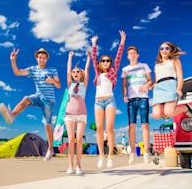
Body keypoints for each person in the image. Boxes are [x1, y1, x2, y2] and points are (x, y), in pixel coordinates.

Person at [0, 48, 61, 161]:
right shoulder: (33, 69)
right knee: (26, 99)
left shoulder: (52, 70)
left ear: (46, 59)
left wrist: (52, 81)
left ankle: (51, 149)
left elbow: (59, 86)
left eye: (44, 58)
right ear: (37, 58)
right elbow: (17, 72)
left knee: (47, 125)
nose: (41, 59)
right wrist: (13, 60)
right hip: (38, 96)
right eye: (39, 57)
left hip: (49, 100)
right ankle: (12, 115)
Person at [91, 30, 126, 168]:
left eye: (108, 61)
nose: (105, 62)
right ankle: (101, 155)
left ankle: (110, 155)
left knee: (109, 128)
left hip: (110, 100)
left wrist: (122, 41)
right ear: (100, 63)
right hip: (98, 101)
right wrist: (94, 44)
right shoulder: (97, 72)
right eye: (103, 60)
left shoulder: (113, 71)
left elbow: (119, 56)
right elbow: (94, 58)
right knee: (99, 129)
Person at [121, 46, 153, 164]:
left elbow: (150, 80)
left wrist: (146, 85)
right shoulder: (125, 69)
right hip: (131, 99)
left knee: (145, 125)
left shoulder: (144, 66)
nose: (133, 55)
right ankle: (132, 152)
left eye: (134, 53)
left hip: (144, 98)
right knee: (132, 126)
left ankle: (146, 152)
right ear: (128, 56)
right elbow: (124, 84)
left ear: (137, 55)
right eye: (130, 53)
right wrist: (124, 95)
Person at [152, 41, 192, 121]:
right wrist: (151, 86)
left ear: (170, 50)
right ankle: (165, 113)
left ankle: (185, 108)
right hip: (159, 89)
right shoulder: (156, 65)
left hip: (170, 85)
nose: (164, 50)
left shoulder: (175, 61)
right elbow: (156, 81)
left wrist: (179, 89)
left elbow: (180, 76)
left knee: (169, 112)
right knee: (156, 115)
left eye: (167, 48)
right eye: (161, 48)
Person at [64, 50, 90, 175]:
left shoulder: (84, 85)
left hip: (82, 114)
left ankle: (79, 166)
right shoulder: (69, 84)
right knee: (70, 139)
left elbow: (87, 69)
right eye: (74, 72)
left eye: (77, 72)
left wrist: (89, 58)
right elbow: (68, 70)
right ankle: (70, 166)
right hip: (69, 114)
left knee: (79, 140)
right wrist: (70, 57)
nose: (75, 73)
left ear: (81, 74)